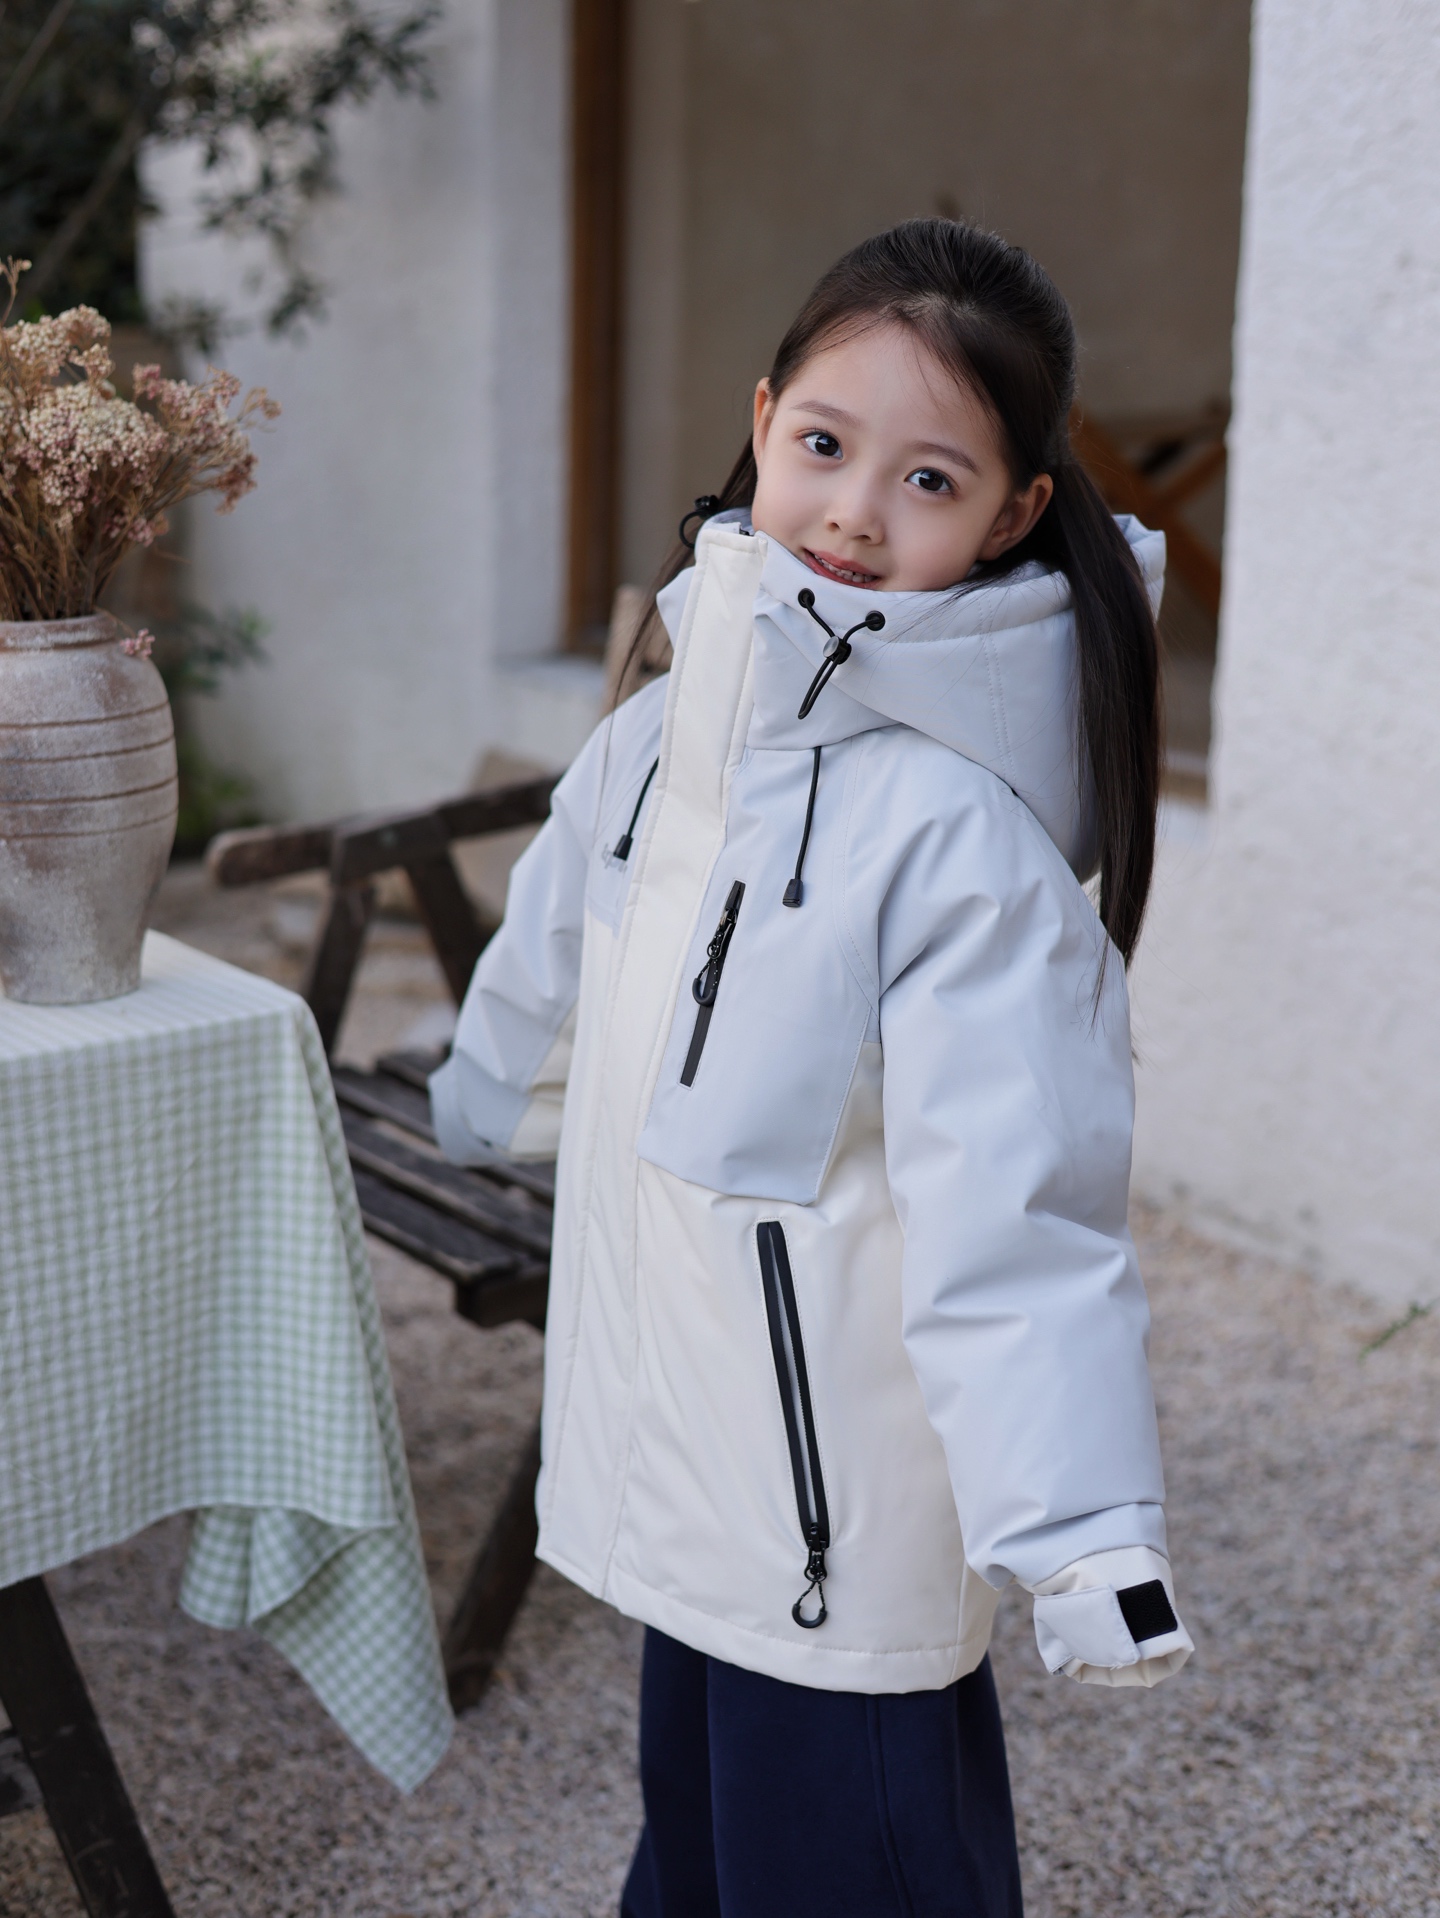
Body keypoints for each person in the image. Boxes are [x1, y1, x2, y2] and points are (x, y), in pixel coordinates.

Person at [429, 219, 1193, 1917]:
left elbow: (1021, 1215)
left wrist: (1084, 1540)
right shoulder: (668, 728)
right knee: (697, 1861)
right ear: (764, 419)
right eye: (828, 444)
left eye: (928, 480)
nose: (853, 510)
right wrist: (480, 1092)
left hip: (829, 1515)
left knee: (848, 1868)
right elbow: (557, 933)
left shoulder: (958, 844)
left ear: (1012, 514)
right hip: (685, 1471)